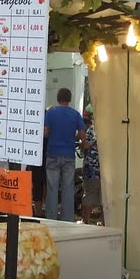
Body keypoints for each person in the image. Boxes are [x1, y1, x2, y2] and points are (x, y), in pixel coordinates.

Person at [43, 88, 86, 222]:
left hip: (53, 153)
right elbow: (82, 134)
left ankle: (51, 218)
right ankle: (67, 218)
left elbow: (45, 133)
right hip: (69, 154)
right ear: (70, 98)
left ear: (58, 98)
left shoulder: (50, 113)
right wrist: (75, 137)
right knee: (68, 187)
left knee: (52, 187)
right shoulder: (75, 114)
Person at [80, 111, 102, 223]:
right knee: (106, 199)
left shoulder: (92, 130)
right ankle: (105, 223)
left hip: (92, 169)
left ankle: (85, 221)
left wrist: (82, 142)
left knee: (89, 195)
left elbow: (85, 145)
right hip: (108, 171)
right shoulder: (113, 130)